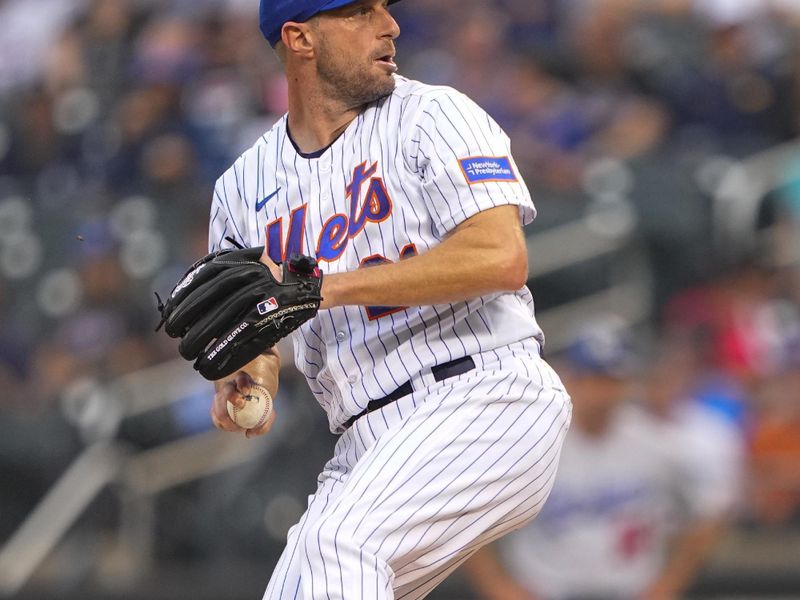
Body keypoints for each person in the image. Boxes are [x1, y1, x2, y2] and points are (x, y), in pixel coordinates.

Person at [207, 1, 572, 599]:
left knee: (340, 545)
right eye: (358, 13)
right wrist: (250, 377)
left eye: (384, 8)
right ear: (301, 38)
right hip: (366, 440)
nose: (389, 25)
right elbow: (261, 326)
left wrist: (324, 288)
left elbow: (500, 258)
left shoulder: (434, 115)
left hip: (486, 396)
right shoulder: (241, 188)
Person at [464, 318, 742, 600]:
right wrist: (498, 587)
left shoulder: (656, 442)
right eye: (592, 377)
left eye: (611, 379)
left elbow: (713, 507)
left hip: (628, 590)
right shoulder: (534, 441)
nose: (601, 391)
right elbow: (470, 511)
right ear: (568, 377)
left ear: (628, 382)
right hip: (546, 590)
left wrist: (667, 586)